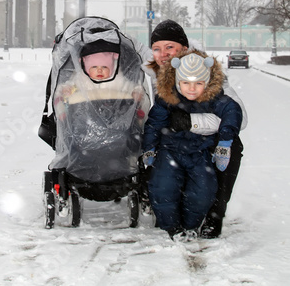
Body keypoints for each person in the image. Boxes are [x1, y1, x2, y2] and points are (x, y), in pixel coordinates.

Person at [136, 19, 247, 238]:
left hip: (204, 141)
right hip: (173, 141)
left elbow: (239, 119)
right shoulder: (156, 70)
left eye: (170, 47)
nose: (163, 53)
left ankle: (214, 214)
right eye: (157, 49)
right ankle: (162, 205)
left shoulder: (206, 73)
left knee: (232, 144)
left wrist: (191, 121)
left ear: (184, 49)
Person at [54, 43, 148, 124]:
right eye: (94, 67)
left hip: (115, 119)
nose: (99, 70)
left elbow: (131, 87)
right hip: (85, 120)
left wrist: (136, 92)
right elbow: (68, 87)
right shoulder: (80, 80)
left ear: (112, 68)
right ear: (86, 68)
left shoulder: (118, 80)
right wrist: (66, 90)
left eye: (104, 67)